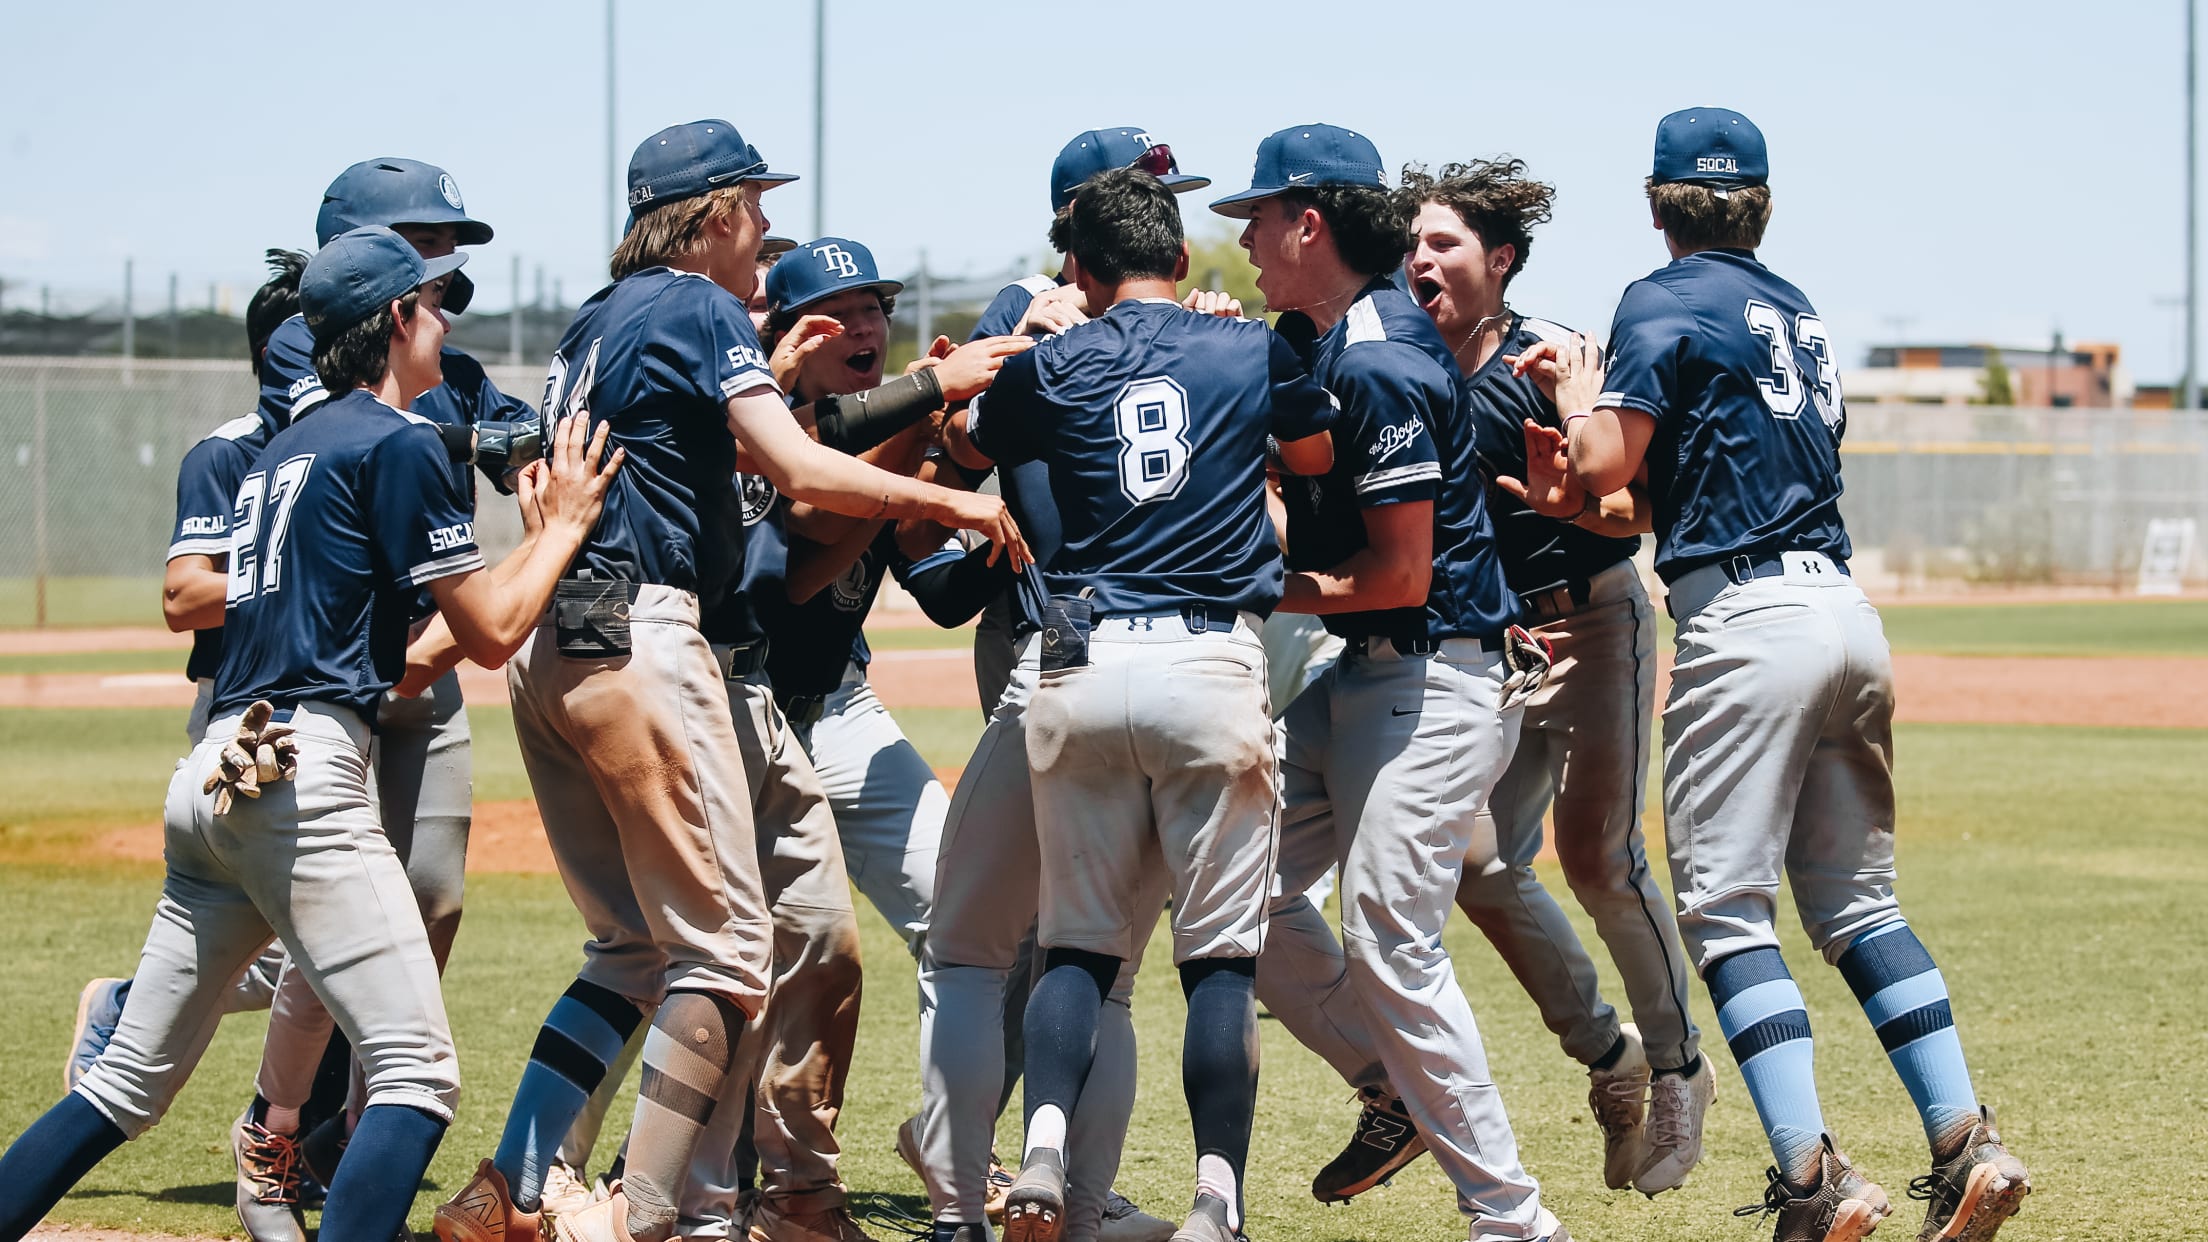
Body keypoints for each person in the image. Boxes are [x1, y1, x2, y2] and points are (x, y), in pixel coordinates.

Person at [433, 119, 1028, 1242]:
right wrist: (949, 497)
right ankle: (641, 1215)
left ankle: (518, 1185)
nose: (762, 229)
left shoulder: (595, 319)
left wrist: (802, 387)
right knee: (725, 954)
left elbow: (743, 455)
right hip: (650, 639)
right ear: (712, 216)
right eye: (754, 207)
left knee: (639, 948)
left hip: (565, 640)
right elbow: (796, 467)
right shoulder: (699, 305)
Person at [0, 224, 622, 1242]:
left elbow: (414, 644)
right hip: (302, 769)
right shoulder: (399, 440)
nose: (446, 320)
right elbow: (491, 632)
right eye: (432, 304)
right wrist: (558, 531)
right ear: (396, 319)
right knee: (416, 1077)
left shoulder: (282, 451)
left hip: (215, 768)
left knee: (122, 1088)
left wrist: (533, 546)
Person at [1524, 107, 2030, 1242]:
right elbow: (1675, 487)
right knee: (1860, 904)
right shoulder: (1791, 306)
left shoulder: (1661, 297)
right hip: (1844, 610)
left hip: (1747, 621)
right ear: (1760, 204)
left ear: (1657, 205)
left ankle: (1813, 1183)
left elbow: (1604, 455)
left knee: (1728, 917)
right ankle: (1966, 1143)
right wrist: (1593, 502)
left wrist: (1574, 392)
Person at [945, 166, 1333, 1242]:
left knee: (1075, 946)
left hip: (1081, 660)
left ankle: (1040, 1153)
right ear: (1180, 257)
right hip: (1208, 663)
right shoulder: (1248, 345)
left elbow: (970, 441)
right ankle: (1216, 1201)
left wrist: (1033, 346)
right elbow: (1313, 452)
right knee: (1218, 962)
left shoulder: (1055, 357)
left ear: (1080, 268)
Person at [1214, 124, 1566, 1242]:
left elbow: (1400, 575)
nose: (1248, 239)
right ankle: (1395, 1087)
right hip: (1365, 676)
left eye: (1259, 217)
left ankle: (1514, 1222)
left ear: (1310, 224)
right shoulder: (1325, 343)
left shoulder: (1378, 358)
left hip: (1433, 672)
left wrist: (1250, 583)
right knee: (1236, 890)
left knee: (1389, 938)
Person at [1389, 156, 1710, 1195]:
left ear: (1501, 259)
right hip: (1491, 646)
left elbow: (1643, 505)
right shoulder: (1400, 365)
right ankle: (1611, 1056)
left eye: (1442, 242)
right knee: (1476, 863)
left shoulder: (1556, 359)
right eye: (1411, 243)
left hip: (1594, 624)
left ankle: (1680, 1069)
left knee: (1600, 860)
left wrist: (1572, 465)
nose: (1419, 258)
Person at [915, 126, 1211, 1242]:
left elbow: (962, 442)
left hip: (1076, 658)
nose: (1163, 213)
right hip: (1117, 652)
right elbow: (962, 450)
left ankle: (994, 1202)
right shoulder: (1032, 310)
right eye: (1146, 197)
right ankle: (1035, 1192)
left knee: (1014, 951)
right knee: (1073, 958)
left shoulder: (1102, 328)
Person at [64, 249, 315, 1101]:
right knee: (300, 941)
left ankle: (302, 1123)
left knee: (327, 937)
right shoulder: (228, 454)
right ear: (281, 349)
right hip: (246, 719)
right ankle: (128, 1014)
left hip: (335, 708)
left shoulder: (353, 443)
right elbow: (184, 597)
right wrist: (301, 572)